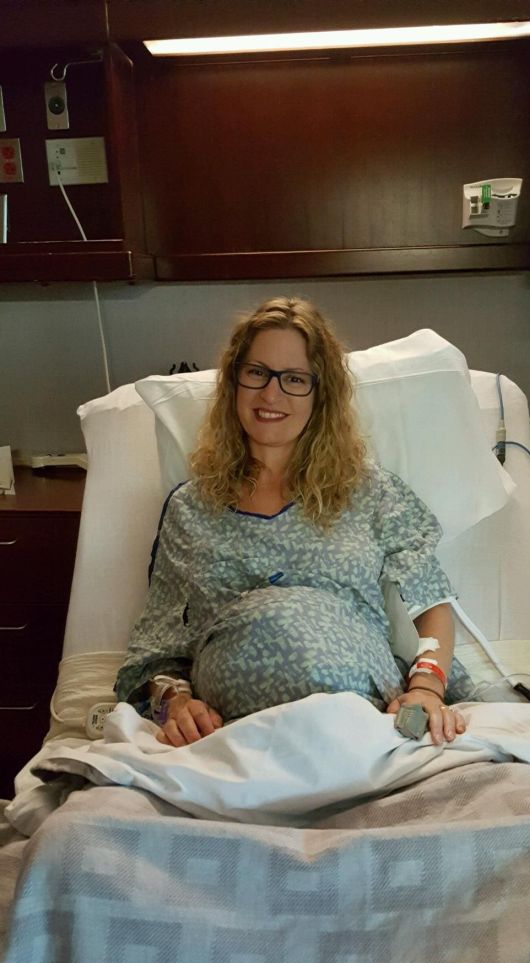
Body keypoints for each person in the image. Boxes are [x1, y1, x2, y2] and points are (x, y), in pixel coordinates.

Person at [115, 297, 471, 748]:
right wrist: (175, 703)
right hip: (230, 737)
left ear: (322, 395)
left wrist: (426, 688)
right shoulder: (191, 508)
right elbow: (156, 652)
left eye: (295, 379)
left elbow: (431, 601)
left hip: (363, 727)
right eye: (257, 372)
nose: (271, 394)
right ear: (234, 382)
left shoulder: (369, 492)